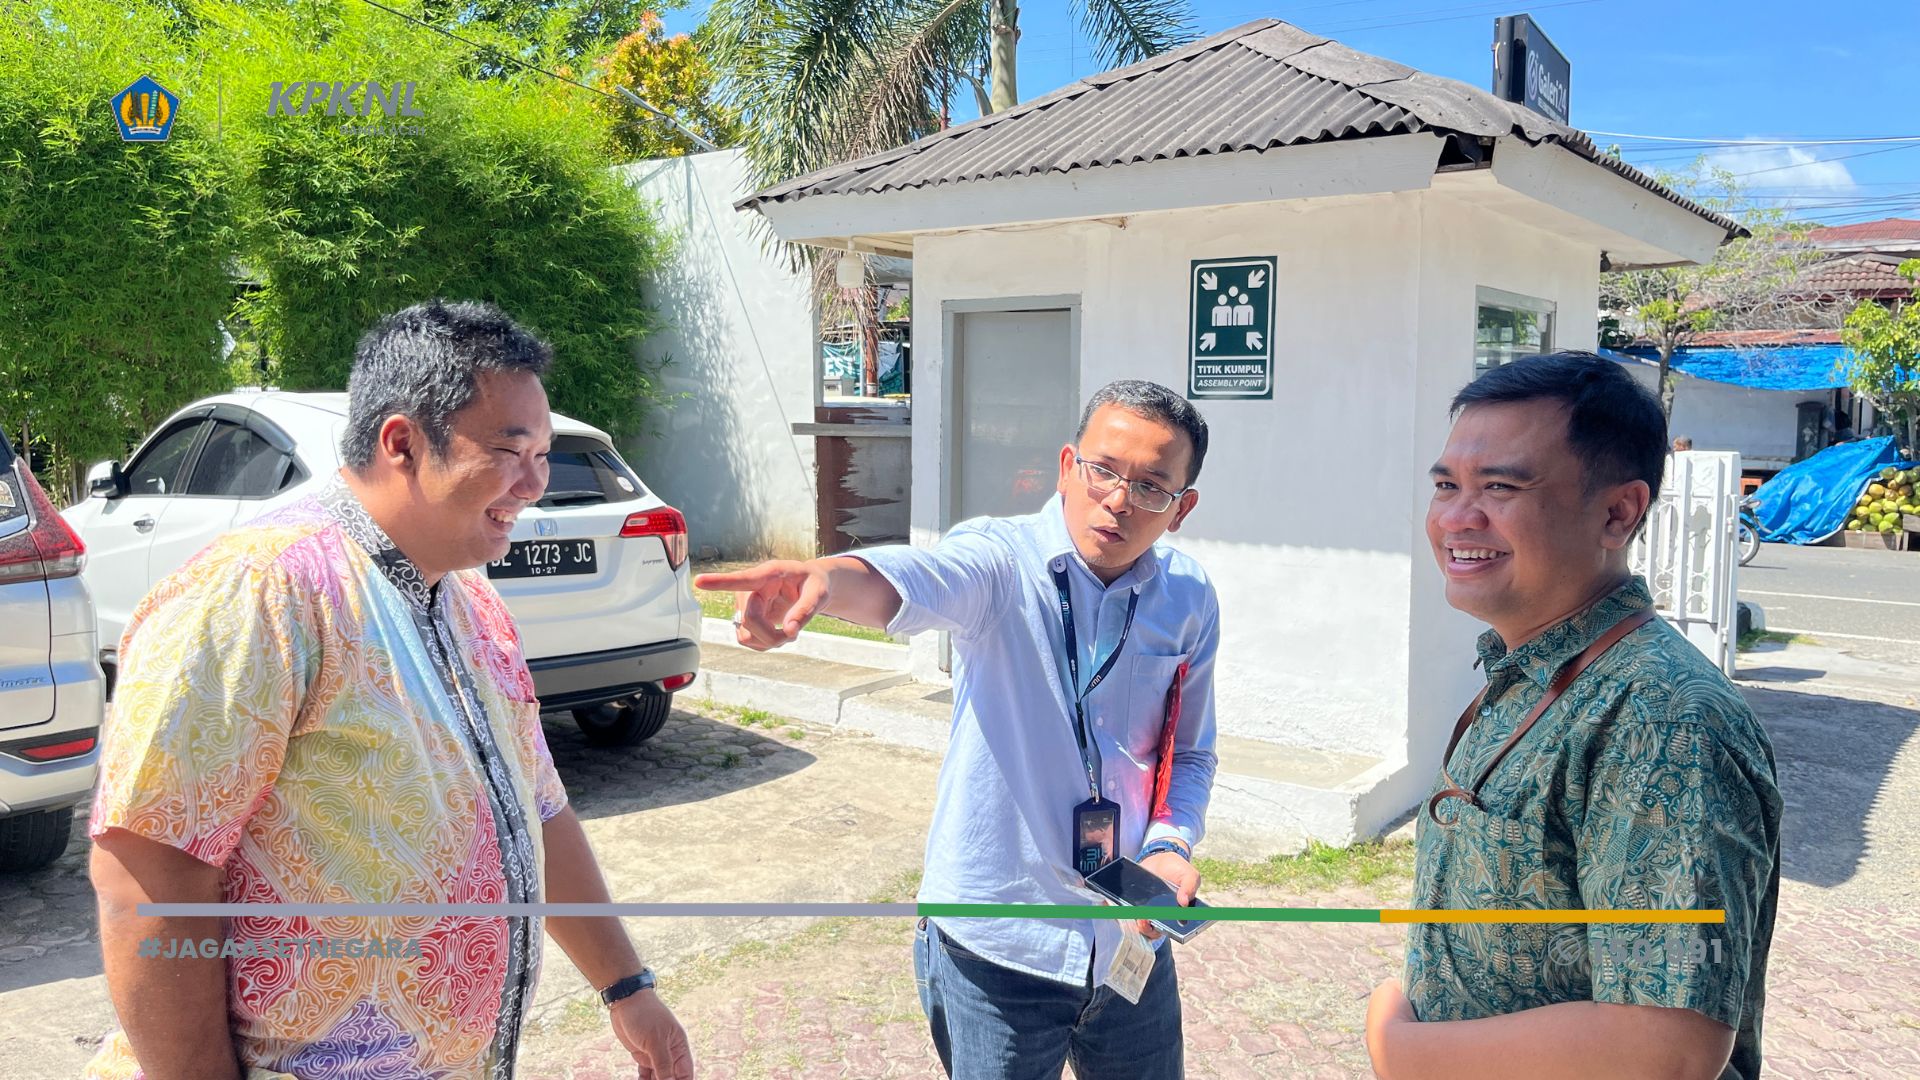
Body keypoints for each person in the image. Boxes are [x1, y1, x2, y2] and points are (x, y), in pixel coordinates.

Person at [86, 300, 693, 1080]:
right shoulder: (259, 592)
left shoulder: (472, 601)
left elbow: (540, 804)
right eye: (512, 451)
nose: (534, 484)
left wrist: (625, 986)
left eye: (544, 454)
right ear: (402, 442)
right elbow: (148, 869)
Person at [697, 380, 1220, 1080]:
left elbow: (1188, 752)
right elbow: (917, 579)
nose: (1120, 499)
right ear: (1069, 466)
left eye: (1153, 486)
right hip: (997, 952)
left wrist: (1169, 845)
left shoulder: (1187, 599)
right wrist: (826, 579)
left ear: (1181, 509)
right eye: (1104, 470)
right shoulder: (999, 561)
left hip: (1130, 937)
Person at [1365, 352, 1781, 1080]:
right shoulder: (1527, 666)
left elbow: (1665, 1046)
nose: (1458, 517)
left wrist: (1405, 1052)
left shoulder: (1660, 716)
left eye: (1500, 486)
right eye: (1446, 485)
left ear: (1618, 511)